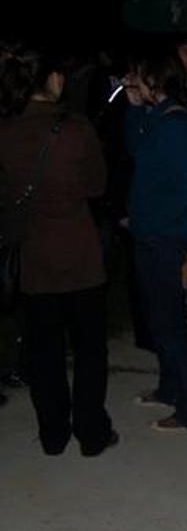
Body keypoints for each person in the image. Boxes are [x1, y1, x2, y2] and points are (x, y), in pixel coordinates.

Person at [0, 45, 116, 456]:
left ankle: (53, 434)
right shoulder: (76, 128)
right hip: (80, 256)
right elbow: (97, 186)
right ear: (51, 78)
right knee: (89, 349)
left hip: (35, 257)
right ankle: (91, 433)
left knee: (44, 351)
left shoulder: (6, 130)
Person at [124, 52, 187, 431]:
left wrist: (151, 221)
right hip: (150, 232)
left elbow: (180, 191)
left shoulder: (174, 123)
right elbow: (135, 150)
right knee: (159, 321)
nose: (134, 81)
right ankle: (170, 389)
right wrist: (134, 109)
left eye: (140, 76)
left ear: (156, 79)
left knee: (171, 325)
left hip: (164, 237)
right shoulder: (156, 116)